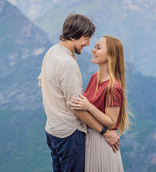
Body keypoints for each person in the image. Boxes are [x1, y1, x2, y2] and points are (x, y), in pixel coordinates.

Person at [38, 14, 120, 172]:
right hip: (69, 134)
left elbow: (42, 82)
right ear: (73, 35)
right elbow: (77, 107)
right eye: (86, 38)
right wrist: (104, 132)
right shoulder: (67, 63)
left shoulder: (52, 52)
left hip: (52, 131)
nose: (88, 43)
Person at [69, 36, 130, 172]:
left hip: (103, 144)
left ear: (110, 55)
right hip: (91, 139)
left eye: (98, 47)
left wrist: (88, 106)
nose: (92, 50)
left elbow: (111, 122)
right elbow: (79, 107)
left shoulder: (113, 87)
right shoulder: (95, 78)